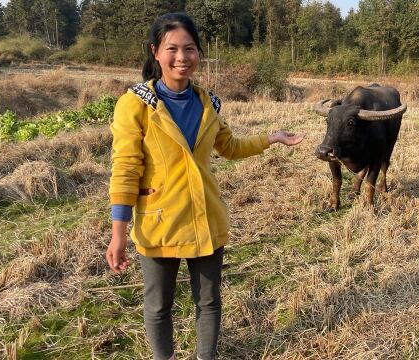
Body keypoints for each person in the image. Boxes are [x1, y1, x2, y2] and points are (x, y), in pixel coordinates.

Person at [105, 12, 304, 360]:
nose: (182, 57)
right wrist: (118, 231)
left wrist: (271, 138)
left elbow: (229, 147)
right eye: (172, 49)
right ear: (155, 52)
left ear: (199, 53)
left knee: (209, 302)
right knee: (158, 306)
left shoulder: (208, 102)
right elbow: (125, 168)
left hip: (205, 217)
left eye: (190, 48)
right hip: (159, 219)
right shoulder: (135, 105)